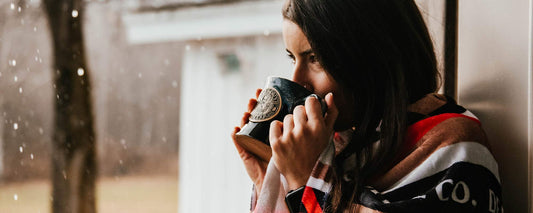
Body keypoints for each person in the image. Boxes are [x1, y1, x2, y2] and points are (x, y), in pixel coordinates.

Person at [231, 0, 503, 212]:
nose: (297, 80)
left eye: (315, 58)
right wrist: (272, 181)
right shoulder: (340, 149)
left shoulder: (452, 144)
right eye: (293, 58)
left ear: (371, 57)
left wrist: (306, 180)